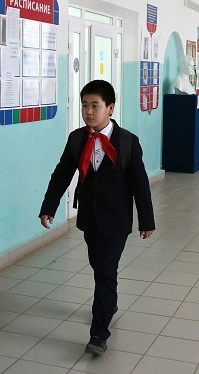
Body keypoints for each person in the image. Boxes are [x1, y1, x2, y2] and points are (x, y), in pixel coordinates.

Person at [39, 80, 155, 356]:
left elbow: (140, 183)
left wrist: (146, 220)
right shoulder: (77, 139)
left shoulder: (127, 142)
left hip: (116, 219)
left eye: (95, 106)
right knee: (98, 265)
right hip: (90, 217)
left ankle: (98, 334)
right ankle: (109, 304)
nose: (88, 112)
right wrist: (49, 206)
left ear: (110, 108)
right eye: (84, 105)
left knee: (105, 272)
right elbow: (62, 174)